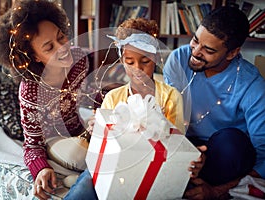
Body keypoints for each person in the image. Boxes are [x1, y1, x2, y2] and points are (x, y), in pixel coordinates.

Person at [65, 18, 205, 200]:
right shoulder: (113, 97)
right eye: (130, 62)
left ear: (155, 59)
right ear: (122, 61)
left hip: (152, 164)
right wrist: (96, 130)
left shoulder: (171, 97)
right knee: (83, 188)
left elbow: (174, 143)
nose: (137, 68)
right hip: (113, 163)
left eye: (145, 61)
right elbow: (102, 147)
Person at [0, 0, 92, 199]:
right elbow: (33, 144)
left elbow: (87, 97)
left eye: (61, 37)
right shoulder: (30, 91)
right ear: (34, 56)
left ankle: (79, 177)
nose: (63, 48)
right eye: (49, 47)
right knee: (79, 155)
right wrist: (41, 169)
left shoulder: (79, 59)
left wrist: (100, 114)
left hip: (79, 130)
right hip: (53, 141)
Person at [163, 6, 265, 199]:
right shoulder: (178, 59)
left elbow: (263, 156)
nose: (195, 52)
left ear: (231, 53)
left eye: (208, 50)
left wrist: (217, 191)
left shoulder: (252, 85)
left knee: (230, 143)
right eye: (195, 40)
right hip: (183, 142)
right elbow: (169, 117)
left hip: (224, 155)